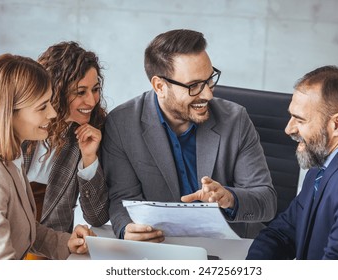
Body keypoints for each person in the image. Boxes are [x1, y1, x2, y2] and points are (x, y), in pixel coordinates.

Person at [101, 29, 277, 241]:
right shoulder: (122, 124)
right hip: (161, 246)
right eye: (194, 86)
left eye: (209, 79)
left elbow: (267, 202)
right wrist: (125, 228)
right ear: (160, 86)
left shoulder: (235, 119)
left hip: (230, 247)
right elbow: (122, 199)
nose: (208, 94)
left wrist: (229, 198)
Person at [246, 65, 338, 260]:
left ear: (337, 125)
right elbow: (280, 234)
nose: (288, 129)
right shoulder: (321, 169)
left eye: (299, 120)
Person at [0, 54, 95, 259]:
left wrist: (66, 243)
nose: (53, 113)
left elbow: (26, 231)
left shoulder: (11, 161)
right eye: (42, 106)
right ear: (8, 113)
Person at [22, 41, 109, 234]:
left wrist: (89, 160)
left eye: (95, 89)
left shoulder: (97, 130)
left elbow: (98, 216)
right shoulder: (21, 123)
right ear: (55, 91)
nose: (91, 100)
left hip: (54, 248)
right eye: (80, 92)